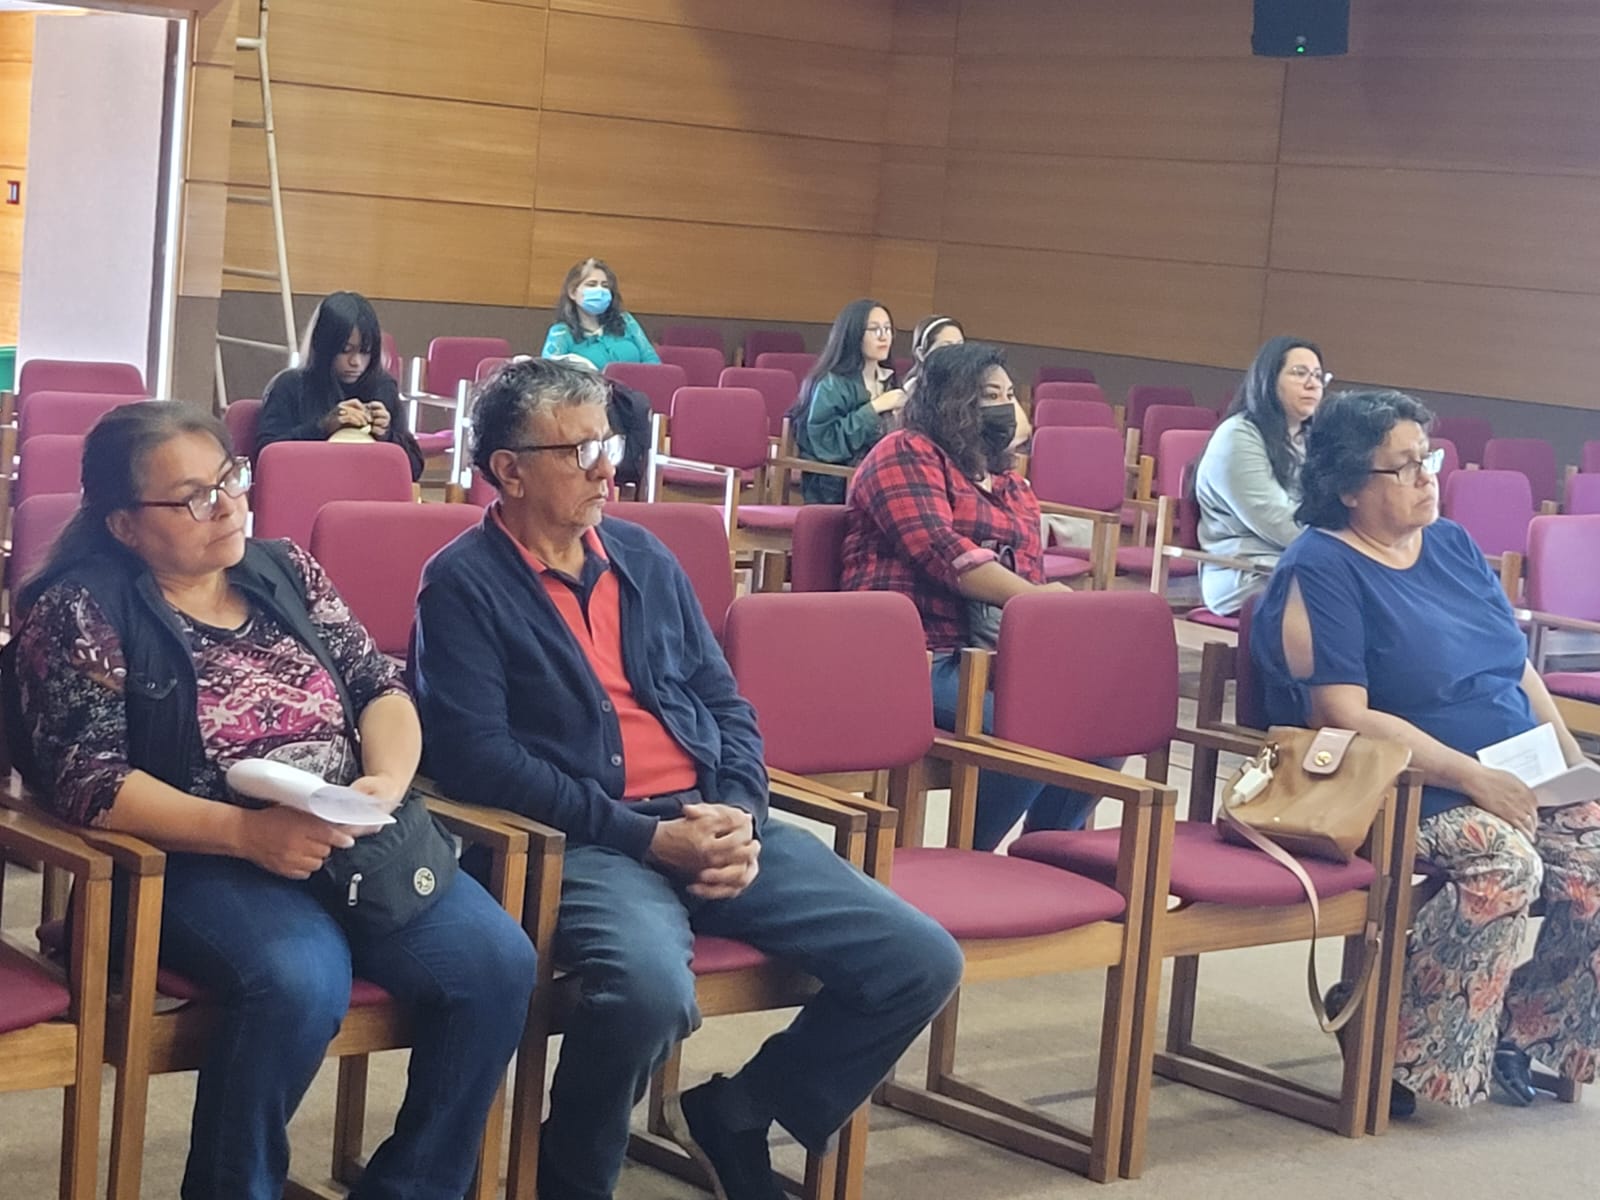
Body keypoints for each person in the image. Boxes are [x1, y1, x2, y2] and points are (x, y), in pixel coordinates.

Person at [411, 358, 962, 1200]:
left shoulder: (642, 555)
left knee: (919, 959)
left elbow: (722, 700)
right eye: (580, 451)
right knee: (648, 994)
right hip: (586, 842)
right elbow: (477, 758)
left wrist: (739, 809)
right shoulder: (461, 583)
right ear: (509, 471)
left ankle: (742, 1112)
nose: (608, 468)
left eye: (608, 443)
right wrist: (647, 838)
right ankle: (572, 1177)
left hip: (708, 817)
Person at [2, 402, 535, 1200]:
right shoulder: (82, 609)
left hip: (353, 841)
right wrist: (248, 835)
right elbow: (91, 780)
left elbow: (380, 689)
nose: (226, 506)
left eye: (229, 479)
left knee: (499, 965)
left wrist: (384, 785)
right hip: (195, 859)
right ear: (123, 525)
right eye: (193, 497)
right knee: (301, 979)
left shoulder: (286, 571)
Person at [1251, 388, 1600, 1116]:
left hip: (1513, 768)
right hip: (1407, 781)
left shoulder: (1451, 543)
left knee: (1596, 855)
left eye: (1428, 459)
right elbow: (1343, 714)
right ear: (1348, 485)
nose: (1426, 478)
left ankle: (1515, 1026)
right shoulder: (1322, 566)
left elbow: (1516, 666)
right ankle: (1390, 1035)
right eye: (1404, 466)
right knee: (1506, 865)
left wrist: (1571, 761)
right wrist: (1474, 776)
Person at [841, 342, 1103, 851]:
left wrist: (1046, 618)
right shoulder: (904, 452)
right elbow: (939, 548)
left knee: (1099, 719)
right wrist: (1034, 599)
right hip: (913, 655)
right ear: (952, 401)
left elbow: (1027, 569)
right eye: (988, 396)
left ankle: (1044, 856)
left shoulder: (1012, 485)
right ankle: (972, 855)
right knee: (1030, 730)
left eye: (1008, 395)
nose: (1003, 407)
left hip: (990, 656)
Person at [1192, 336, 1327, 615]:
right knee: (1353, 595)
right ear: (1268, 380)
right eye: (1299, 373)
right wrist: (1349, 546)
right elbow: (1279, 522)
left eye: (1317, 375)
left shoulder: (1310, 439)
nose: (1312, 384)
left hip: (1300, 564)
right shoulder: (1238, 436)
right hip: (1246, 575)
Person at [258, 290, 425, 480]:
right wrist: (321, 428)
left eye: (365, 351)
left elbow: (414, 469)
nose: (356, 362)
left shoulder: (383, 387)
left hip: (367, 491)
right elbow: (265, 459)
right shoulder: (291, 385)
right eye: (345, 351)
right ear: (324, 347)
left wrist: (387, 436)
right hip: (306, 488)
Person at [790, 298, 904, 504]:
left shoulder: (888, 379)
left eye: (888, 329)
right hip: (836, 485)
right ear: (853, 335)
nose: (883, 336)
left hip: (880, 475)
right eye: (874, 329)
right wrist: (875, 407)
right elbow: (826, 443)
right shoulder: (832, 384)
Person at [905, 315, 1031, 448]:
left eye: (960, 345)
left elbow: (1021, 431)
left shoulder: (976, 380)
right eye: (947, 347)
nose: (956, 354)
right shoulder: (914, 391)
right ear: (921, 353)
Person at [540, 257, 660, 367]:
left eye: (605, 286)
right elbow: (549, 375)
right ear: (573, 292)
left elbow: (652, 361)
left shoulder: (626, 321)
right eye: (591, 285)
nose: (600, 290)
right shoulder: (561, 333)